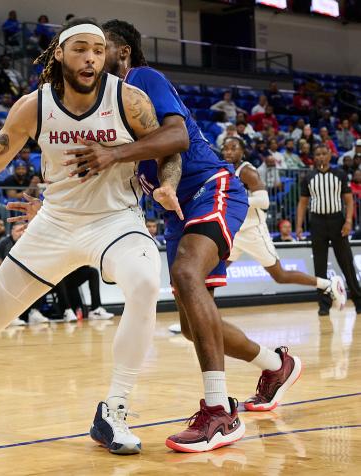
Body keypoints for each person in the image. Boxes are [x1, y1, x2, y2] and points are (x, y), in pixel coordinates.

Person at [0, 19, 181, 456]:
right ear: (60, 54)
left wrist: (168, 183)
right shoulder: (34, 106)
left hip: (116, 221)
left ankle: (115, 409)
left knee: (144, 284)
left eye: (98, 50)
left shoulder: (128, 99)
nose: (91, 58)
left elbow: (169, 145)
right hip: (55, 222)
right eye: (81, 49)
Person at [72, 18, 303, 453]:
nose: (92, 59)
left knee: (184, 272)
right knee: (192, 323)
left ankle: (219, 412)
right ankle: (276, 365)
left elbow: (176, 136)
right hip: (177, 207)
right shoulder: (111, 111)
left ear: (121, 53)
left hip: (210, 187)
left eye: (100, 50)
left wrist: (118, 156)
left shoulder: (142, 78)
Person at [222, 136, 345, 302]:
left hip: (253, 232)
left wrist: (236, 201)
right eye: (226, 148)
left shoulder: (247, 171)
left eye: (233, 148)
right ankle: (200, 320)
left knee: (280, 276)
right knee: (214, 274)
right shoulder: (223, 169)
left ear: (242, 152)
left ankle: (327, 284)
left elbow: (264, 201)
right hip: (234, 232)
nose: (228, 151)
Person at [296, 144, 361, 316]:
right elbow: (302, 204)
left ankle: (359, 302)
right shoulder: (308, 177)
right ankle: (323, 305)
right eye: (317, 154)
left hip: (337, 222)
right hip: (317, 223)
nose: (321, 157)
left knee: (346, 263)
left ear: (330, 155)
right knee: (320, 266)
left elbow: (349, 201)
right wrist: (299, 226)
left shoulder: (339, 174)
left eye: (324, 153)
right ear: (314, 157)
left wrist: (348, 222)